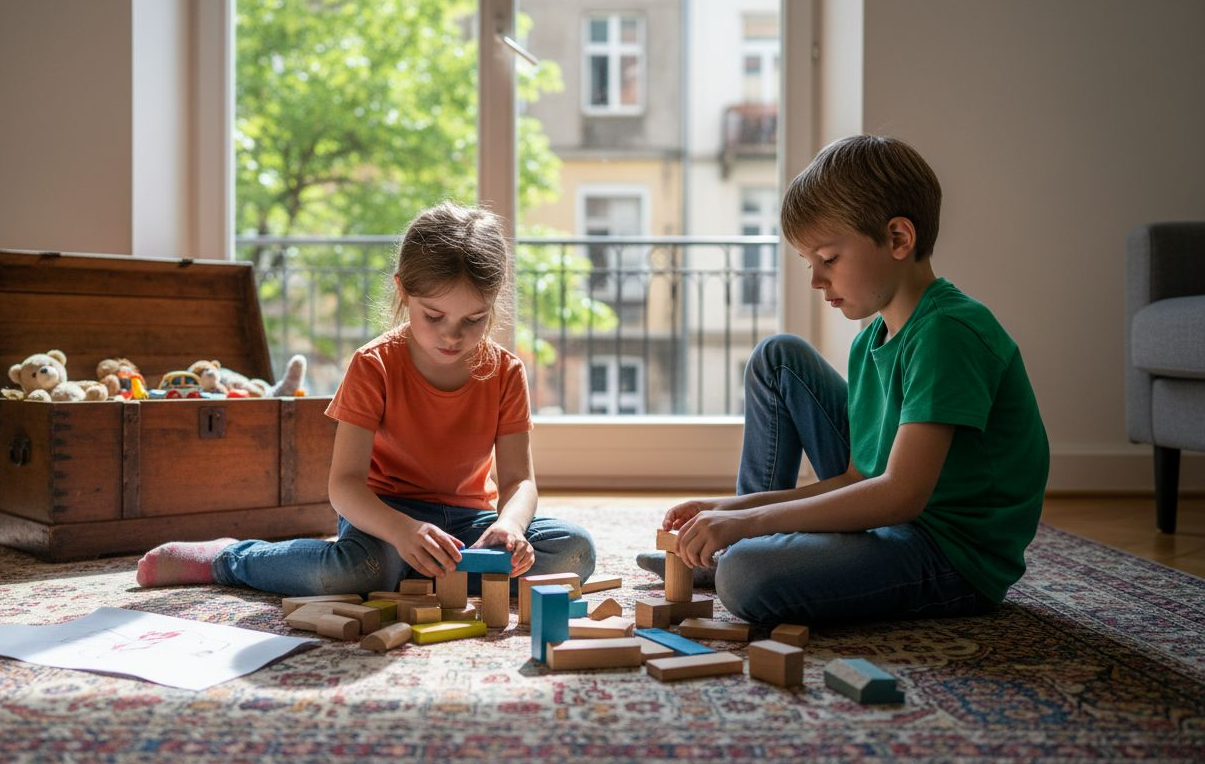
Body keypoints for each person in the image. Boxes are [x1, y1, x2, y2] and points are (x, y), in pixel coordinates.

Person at [639, 135, 1048, 627]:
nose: (816, 280)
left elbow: (900, 495)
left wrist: (748, 522)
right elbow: (857, 480)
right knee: (778, 357)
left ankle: (739, 553)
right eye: (809, 263)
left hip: (950, 552)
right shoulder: (870, 339)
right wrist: (731, 509)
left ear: (898, 239)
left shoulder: (948, 333)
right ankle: (730, 547)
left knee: (745, 578)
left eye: (829, 259)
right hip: (893, 517)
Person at [138, 202, 596, 595]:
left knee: (575, 551)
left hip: (469, 523)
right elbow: (344, 486)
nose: (452, 336)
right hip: (384, 519)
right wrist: (402, 531)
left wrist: (510, 527)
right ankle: (230, 558)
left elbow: (519, 481)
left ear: (492, 304)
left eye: (473, 320)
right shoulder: (374, 364)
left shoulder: (505, 371)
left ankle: (424, 573)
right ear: (403, 292)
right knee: (358, 569)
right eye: (434, 316)